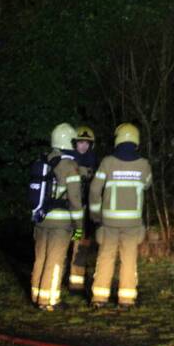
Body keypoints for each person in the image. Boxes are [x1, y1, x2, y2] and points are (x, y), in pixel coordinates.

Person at [89, 122, 152, 308]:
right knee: (129, 260)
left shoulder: (108, 162)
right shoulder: (144, 165)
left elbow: (94, 189)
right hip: (132, 223)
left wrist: (95, 215)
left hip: (108, 222)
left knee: (106, 258)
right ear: (136, 141)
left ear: (117, 141)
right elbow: (147, 184)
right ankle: (126, 299)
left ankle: (99, 298)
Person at [30, 123, 83, 311]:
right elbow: (75, 200)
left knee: (40, 258)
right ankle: (50, 300)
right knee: (55, 260)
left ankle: (37, 295)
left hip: (41, 218)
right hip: (61, 223)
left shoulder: (43, 160)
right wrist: (79, 225)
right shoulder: (70, 166)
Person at [68, 125, 98, 295]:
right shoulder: (69, 161)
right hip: (70, 213)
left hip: (84, 216)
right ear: (75, 143)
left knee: (81, 244)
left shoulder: (93, 160)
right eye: (81, 142)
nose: (84, 146)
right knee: (70, 244)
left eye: (87, 143)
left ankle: (76, 282)